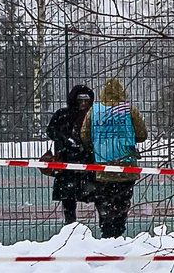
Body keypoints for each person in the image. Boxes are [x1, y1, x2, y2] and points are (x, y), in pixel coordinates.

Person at [87, 79, 146, 239]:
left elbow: (85, 136)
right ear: (122, 93)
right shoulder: (129, 111)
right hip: (126, 166)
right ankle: (118, 232)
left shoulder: (94, 111)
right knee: (121, 202)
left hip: (102, 165)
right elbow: (142, 134)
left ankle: (106, 231)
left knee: (104, 202)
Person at [45, 84, 95, 226]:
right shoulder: (63, 114)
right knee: (68, 198)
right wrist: (66, 140)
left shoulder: (93, 116)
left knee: (96, 195)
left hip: (88, 160)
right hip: (67, 161)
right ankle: (70, 226)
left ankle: (103, 227)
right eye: (80, 100)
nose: (83, 104)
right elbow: (51, 131)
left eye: (86, 100)